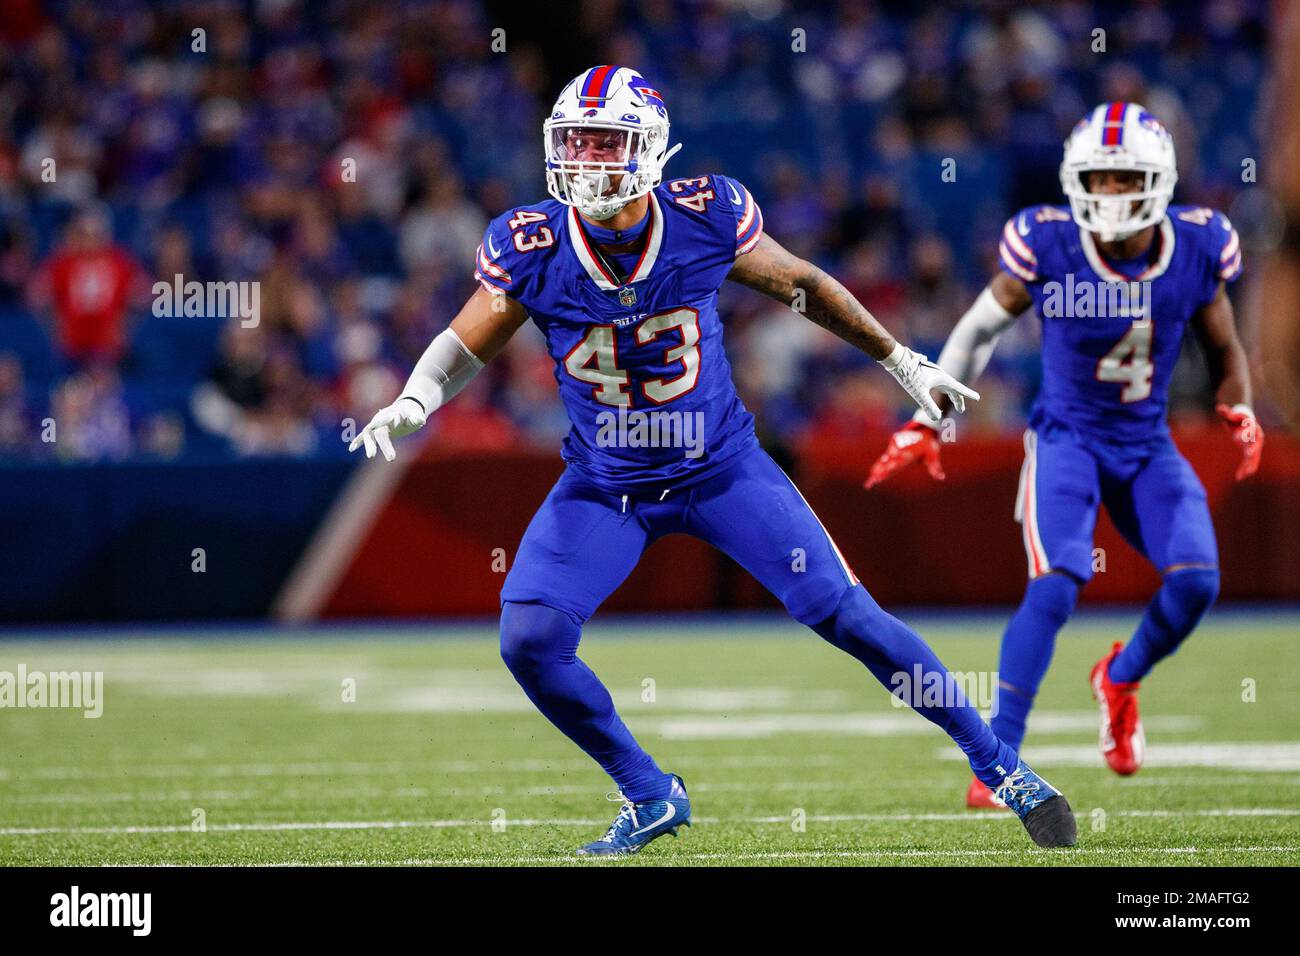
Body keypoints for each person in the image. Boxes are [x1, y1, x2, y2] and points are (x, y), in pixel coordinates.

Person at [351, 66, 1076, 854]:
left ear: (650, 151)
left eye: (606, 143)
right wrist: (416, 397)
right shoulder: (531, 242)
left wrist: (903, 362)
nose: (587, 160)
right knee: (528, 640)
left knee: (851, 618)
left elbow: (803, 285)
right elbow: (468, 336)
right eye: (575, 142)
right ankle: (650, 793)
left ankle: (1004, 769)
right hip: (606, 487)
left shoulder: (704, 216)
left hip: (722, 471)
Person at [867, 103, 1260, 806]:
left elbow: (1226, 347)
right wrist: (931, 418)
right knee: (1054, 586)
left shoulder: (1200, 245)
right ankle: (1001, 758)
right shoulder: (1049, 244)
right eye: (1098, 179)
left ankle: (1120, 677)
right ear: (1077, 180)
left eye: (1125, 179)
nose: (1109, 194)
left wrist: (1241, 406)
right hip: (1067, 439)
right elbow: (981, 326)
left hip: (1146, 443)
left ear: (1158, 182)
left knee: (1198, 580)